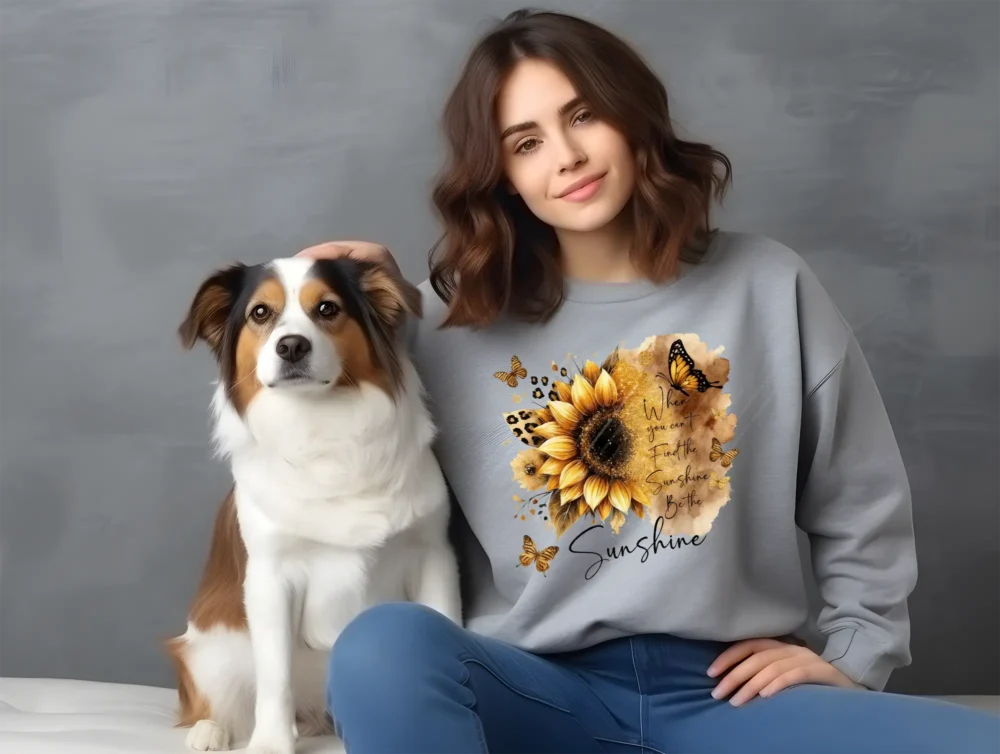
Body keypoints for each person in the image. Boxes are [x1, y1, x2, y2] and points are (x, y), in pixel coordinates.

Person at [300, 8, 1000, 753]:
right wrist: (357, 312)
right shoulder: (444, 324)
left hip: (728, 697)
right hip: (535, 692)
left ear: (632, 117)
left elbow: (859, 497)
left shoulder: (767, 284)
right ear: (501, 177)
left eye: (584, 116)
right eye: (527, 143)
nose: (565, 156)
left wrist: (856, 654)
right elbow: (324, 476)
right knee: (382, 645)